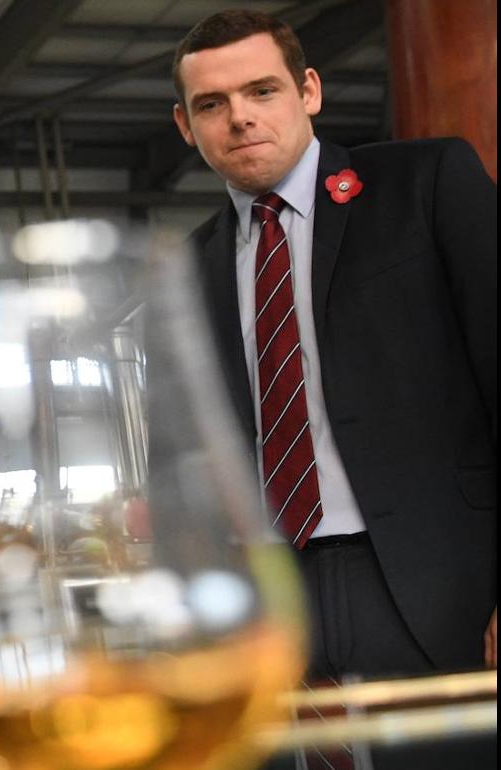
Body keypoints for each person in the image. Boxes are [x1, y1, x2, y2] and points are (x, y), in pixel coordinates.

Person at [168, 5, 496, 699]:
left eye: (262, 91)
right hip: (268, 591)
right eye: (212, 103)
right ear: (185, 126)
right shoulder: (187, 267)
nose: (240, 118)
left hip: (435, 573)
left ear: (308, 91)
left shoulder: (428, 183)